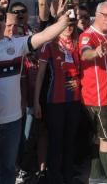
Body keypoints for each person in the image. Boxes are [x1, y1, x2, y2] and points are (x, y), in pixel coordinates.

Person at [0, 4, 72, 184]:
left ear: (5, 23)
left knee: (9, 167)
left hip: (13, 121)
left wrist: (63, 22)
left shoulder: (16, 44)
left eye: (0, 18)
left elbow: (42, 36)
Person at [34, 20, 82, 184]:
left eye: (72, 25)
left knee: (70, 140)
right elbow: (40, 75)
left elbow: (84, 71)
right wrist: (36, 102)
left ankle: (68, 176)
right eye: (66, 24)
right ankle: (55, 177)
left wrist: (80, 81)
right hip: (55, 100)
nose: (69, 28)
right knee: (56, 141)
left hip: (74, 100)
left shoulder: (77, 44)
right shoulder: (48, 45)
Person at [79, 2, 107, 184]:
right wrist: (95, 53)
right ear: (96, 14)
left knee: (99, 138)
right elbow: (84, 53)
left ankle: (95, 176)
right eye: (105, 15)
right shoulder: (88, 36)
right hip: (99, 97)